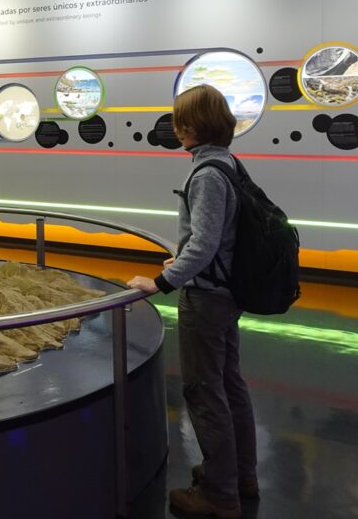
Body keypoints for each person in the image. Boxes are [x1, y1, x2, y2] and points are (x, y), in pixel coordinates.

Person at [128, 84, 257, 519]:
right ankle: (241, 475)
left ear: (193, 127)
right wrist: (186, 258)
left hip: (207, 298)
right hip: (227, 291)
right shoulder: (229, 164)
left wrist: (162, 281)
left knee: (204, 392)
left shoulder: (205, 175)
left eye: (180, 121)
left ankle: (220, 495)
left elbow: (203, 243)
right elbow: (216, 239)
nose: (176, 128)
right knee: (230, 384)